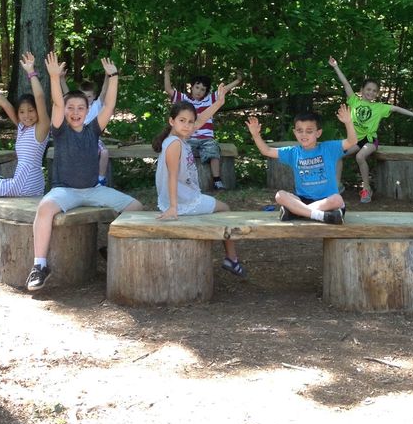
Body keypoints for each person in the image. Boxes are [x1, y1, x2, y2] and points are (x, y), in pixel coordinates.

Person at [26, 53, 142, 292]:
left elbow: (109, 104)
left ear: (88, 110)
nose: (76, 112)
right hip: (65, 190)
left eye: (81, 108)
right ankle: (39, 265)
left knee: (136, 207)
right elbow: (57, 103)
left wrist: (114, 76)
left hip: (93, 190)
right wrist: (54, 77)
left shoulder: (93, 130)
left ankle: (113, 248)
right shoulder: (60, 130)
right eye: (71, 108)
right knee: (45, 208)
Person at [152, 85, 246, 278]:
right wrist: (173, 207)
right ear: (172, 121)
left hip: (183, 198)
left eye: (190, 122)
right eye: (182, 121)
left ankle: (230, 257)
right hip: (181, 201)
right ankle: (231, 258)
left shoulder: (177, 137)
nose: (188, 125)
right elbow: (171, 176)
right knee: (225, 209)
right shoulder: (174, 144)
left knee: (220, 208)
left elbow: (202, 119)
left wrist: (219, 102)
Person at [328, 56, 413, 204]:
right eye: (368, 89)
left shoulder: (379, 107)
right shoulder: (354, 101)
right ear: (361, 90)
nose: (371, 92)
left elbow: (396, 108)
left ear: (377, 94)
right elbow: (346, 83)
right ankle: (337, 186)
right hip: (354, 140)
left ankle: (366, 188)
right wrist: (336, 66)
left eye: (374, 91)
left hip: (370, 140)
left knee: (360, 157)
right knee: (337, 155)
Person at [246, 105, 357, 223]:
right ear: (295, 132)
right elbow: (266, 151)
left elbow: (352, 141)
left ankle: (297, 212)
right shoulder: (293, 152)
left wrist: (348, 122)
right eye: (300, 131)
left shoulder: (328, 148)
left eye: (309, 131)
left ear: (318, 133)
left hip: (327, 202)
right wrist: (255, 134)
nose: (304, 135)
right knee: (279, 195)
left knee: (337, 200)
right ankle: (321, 216)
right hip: (302, 200)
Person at [0, 52, 50, 198]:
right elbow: (5, 104)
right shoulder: (21, 126)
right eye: (22, 112)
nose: (27, 115)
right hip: (22, 183)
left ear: (38, 111)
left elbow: (39, 97)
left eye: (31, 111)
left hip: (26, 184)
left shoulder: (41, 128)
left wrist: (31, 72)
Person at [163, 62, 243, 190]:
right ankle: (180, 181)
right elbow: (168, 90)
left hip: (206, 139)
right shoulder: (183, 99)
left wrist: (238, 80)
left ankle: (217, 180)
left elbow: (224, 90)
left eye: (202, 89)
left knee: (213, 149)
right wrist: (167, 72)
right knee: (181, 153)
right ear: (192, 87)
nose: (199, 91)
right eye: (197, 87)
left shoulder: (209, 100)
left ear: (206, 92)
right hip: (188, 139)